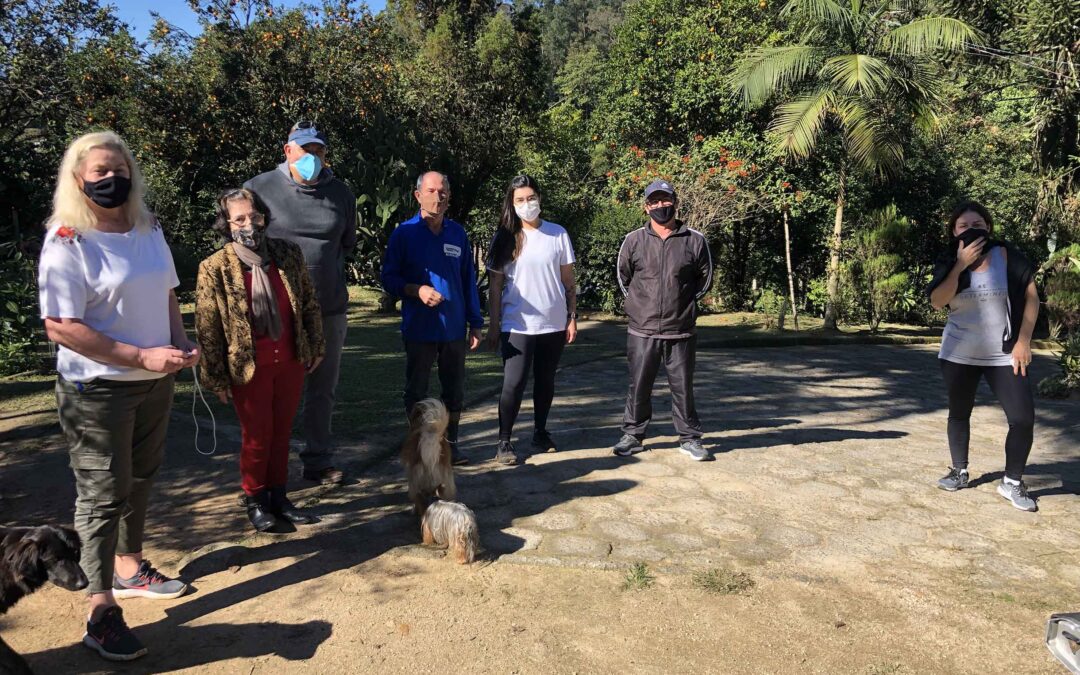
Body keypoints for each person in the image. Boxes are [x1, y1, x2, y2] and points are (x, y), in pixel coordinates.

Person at [38, 131, 198, 662]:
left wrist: (177, 342)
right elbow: (61, 326)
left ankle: (130, 567)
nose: (111, 179)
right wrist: (139, 357)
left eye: (119, 169)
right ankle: (100, 609)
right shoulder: (67, 239)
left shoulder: (146, 226)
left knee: (142, 478)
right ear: (78, 180)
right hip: (97, 389)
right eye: (99, 172)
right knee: (103, 494)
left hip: (154, 381)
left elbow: (167, 292)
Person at [195, 188, 325, 532]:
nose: (248, 224)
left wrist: (316, 344)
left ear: (264, 217)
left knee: (282, 433)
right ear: (227, 224)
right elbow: (207, 326)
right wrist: (216, 377)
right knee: (257, 436)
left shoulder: (287, 254)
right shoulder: (215, 268)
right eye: (239, 218)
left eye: (254, 216)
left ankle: (279, 496)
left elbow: (308, 302)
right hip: (248, 366)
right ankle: (255, 499)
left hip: (290, 359)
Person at [244, 121, 356, 485]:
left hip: (328, 308)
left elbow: (345, 246)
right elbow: (242, 245)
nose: (312, 157)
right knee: (273, 391)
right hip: (276, 310)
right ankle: (266, 475)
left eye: (319, 151)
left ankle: (318, 461)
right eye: (305, 150)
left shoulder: (341, 194)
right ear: (287, 150)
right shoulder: (259, 189)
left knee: (323, 390)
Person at [928, 200, 1040, 512]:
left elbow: (1032, 297)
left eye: (977, 224)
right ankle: (959, 470)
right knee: (959, 413)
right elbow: (938, 301)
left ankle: (1013, 482)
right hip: (958, 352)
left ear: (988, 227)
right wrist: (960, 264)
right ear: (954, 230)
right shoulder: (949, 258)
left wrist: (1024, 341)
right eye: (963, 225)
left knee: (1022, 418)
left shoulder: (1006, 254)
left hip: (1004, 353)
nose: (970, 229)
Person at [381, 171, 484, 465]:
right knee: (417, 391)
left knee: (454, 391)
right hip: (419, 329)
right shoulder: (404, 233)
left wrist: (475, 322)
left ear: (448, 197)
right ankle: (417, 448)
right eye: (430, 191)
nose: (437, 197)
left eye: (442, 192)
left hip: (453, 328)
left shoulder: (458, 234)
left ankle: (450, 448)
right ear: (417, 195)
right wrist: (416, 290)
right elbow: (388, 278)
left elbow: (468, 281)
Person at [613, 179, 714, 462]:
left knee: (683, 386)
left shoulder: (694, 240)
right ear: (646, 207)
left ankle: (690, 438)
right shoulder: (633, 240)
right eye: (654, 202)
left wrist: (684, 304)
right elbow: (624, 277)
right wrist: (638, 306)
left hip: (680, 330)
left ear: (675, 202)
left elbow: (705, 280)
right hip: (642, 330)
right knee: (639, 384)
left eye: (665, 200)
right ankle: (633, 435)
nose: (661, 206)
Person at [485, 175, 577, 465]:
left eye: (531, 198)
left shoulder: (558, 233)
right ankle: (504, 441)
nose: (527, 204)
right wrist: (494, 325)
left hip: (553, 322)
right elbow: (496, 287)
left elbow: (569, 281)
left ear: (539, 198)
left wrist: (572, 317)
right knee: (513, 383)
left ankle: (540, 432)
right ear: (511, 204)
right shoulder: (504, 237)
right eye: (520, 200)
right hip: (517, 324)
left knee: (545, 381)